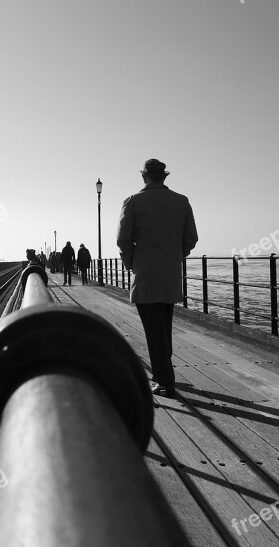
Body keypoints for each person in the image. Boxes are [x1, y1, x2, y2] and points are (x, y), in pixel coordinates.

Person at [116, 159, 198, 397]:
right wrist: (175, 256)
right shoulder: (181, 201)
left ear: (144, 176)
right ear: (164, 177)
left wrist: (132, 263)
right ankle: (165, 374)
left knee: (153, 329)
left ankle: (164, 381)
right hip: (170, 272)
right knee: (164, 325)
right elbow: (191, 238)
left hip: (145, 273)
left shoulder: (132, 202)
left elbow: (123, 240)